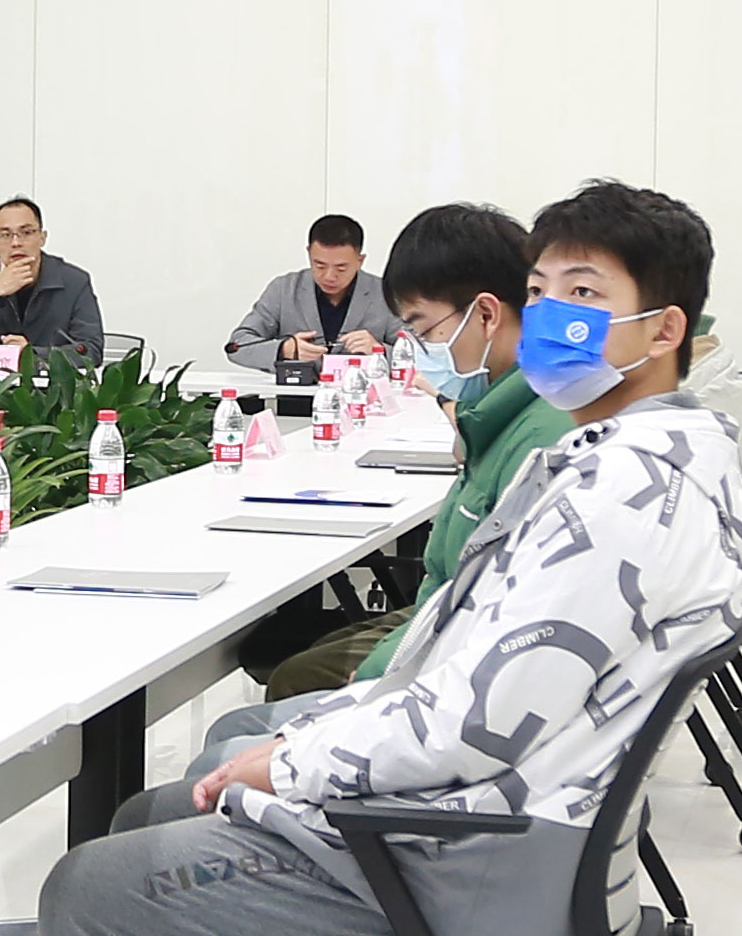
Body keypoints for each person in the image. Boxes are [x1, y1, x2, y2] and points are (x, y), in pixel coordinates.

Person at [23, 178, 742, 936]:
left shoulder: (617, 493)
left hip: (478, 863)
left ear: (662, 329)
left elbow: (467, 724)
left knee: (90, 895)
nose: (550, 316)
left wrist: (290, 762)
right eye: (542, 290)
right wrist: (305, 740)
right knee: (151, 817)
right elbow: (468, 678)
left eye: (584, 294)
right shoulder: (652, 454)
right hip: (535, 836)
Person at [241, 201, 562, 703]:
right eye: (320, 264)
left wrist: (379, 671)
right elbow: (239, 344)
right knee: (302, 658)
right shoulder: (499, 414)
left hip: (458, 643)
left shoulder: (536, 436)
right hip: (447, 615)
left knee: (293, 680)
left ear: (486, 314)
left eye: (426, 331)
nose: (422, 348)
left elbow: (490, 606)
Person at [0, 196, 106, 364]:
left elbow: (91, 352)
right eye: (5, 235)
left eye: (26, 233)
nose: (16, 242)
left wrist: (32, 354)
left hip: (52, 381)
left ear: (42, 237)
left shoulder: (74, 281)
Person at [226, 219, 382, 380]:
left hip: (363, 393)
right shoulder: (284, 290)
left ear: (360, 261)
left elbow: (401, 350)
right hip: (296, 393)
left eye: (341, 268)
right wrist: (284, 349)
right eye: (320, 265)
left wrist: (379, 350)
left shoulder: (384, 294)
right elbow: (237, 346)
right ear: (309, 254)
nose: (329, 276)